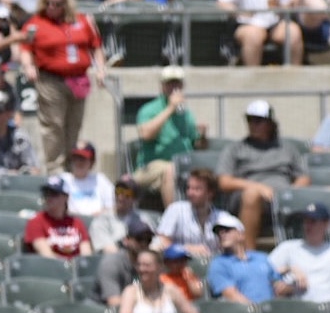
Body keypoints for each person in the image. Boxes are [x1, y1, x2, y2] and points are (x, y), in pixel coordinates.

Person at [19, 0, 104, 174]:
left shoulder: (82, 20)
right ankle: (54, 168)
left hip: (79, 80)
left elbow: (96, 46)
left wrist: (100, 69)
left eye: (57, 3)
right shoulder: (36, 24)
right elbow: (25, 48)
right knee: (54, 125)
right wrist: (29, 66)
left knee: (74, 125)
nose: (53, 7)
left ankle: (71, 167)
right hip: (51, 80)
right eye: (49, 3)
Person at [216, 102, 310, 253]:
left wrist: (290, 194)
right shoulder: (235, 149)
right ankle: (248, 256)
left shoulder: (287, 148)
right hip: (246, 198)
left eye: (258, 120)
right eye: (250, 120)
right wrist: (258, 187)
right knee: (252, 195)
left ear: (270, 123)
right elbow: (224, 181)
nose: (253, 124)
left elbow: (303, 178)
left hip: (281, 197)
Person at [132, 66, 206, 208]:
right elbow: (146, 134)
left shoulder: (186, 113)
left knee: (206, 173)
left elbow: (196, 144)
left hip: (184, 163)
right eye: (169, 83)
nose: (174, 87)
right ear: (162, 86)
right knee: (171, 169)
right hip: (150, 167)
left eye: (177, 83)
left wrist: (202, 135)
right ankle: (172, 220)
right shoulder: (149, 109)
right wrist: (170, 108)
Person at [208, 214, 290, 304]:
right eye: (218, 232)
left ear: (240, 234)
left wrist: (286, 286)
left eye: (227, 230)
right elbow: (231, 295)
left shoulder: (261, 257)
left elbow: (278, 284)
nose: (222, 234)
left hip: (271, 312)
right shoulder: (218, 264)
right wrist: (256, 311)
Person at [118, 248, 201, 313]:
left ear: (159, 267)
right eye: (139, 265)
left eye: (147, 265)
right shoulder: (131, 291)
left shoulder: (171, 290)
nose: (141, 269)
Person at [269, 202, 330, 302]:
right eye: (306, 221)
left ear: (326, 223)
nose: (308, 226)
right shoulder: (288, 247)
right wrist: (289, 269)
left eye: (313, 221)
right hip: (297, 308)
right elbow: (263, 273)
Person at [91, 221, 155, 304]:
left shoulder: (150, 265)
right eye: (139, 238)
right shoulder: (111, 264)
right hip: (102, 312)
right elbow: (114, 303)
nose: (144, 243)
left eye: (148, 239)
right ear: (126, 240)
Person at [61, 141, 115, 221]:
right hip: (71, 224)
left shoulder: (100, 180)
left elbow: (112, 206)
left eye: (82, 159)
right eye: (75, 158)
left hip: (98, 223)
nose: (78, 162)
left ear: (92, 162)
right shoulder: (63, 180)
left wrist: (100, 214)